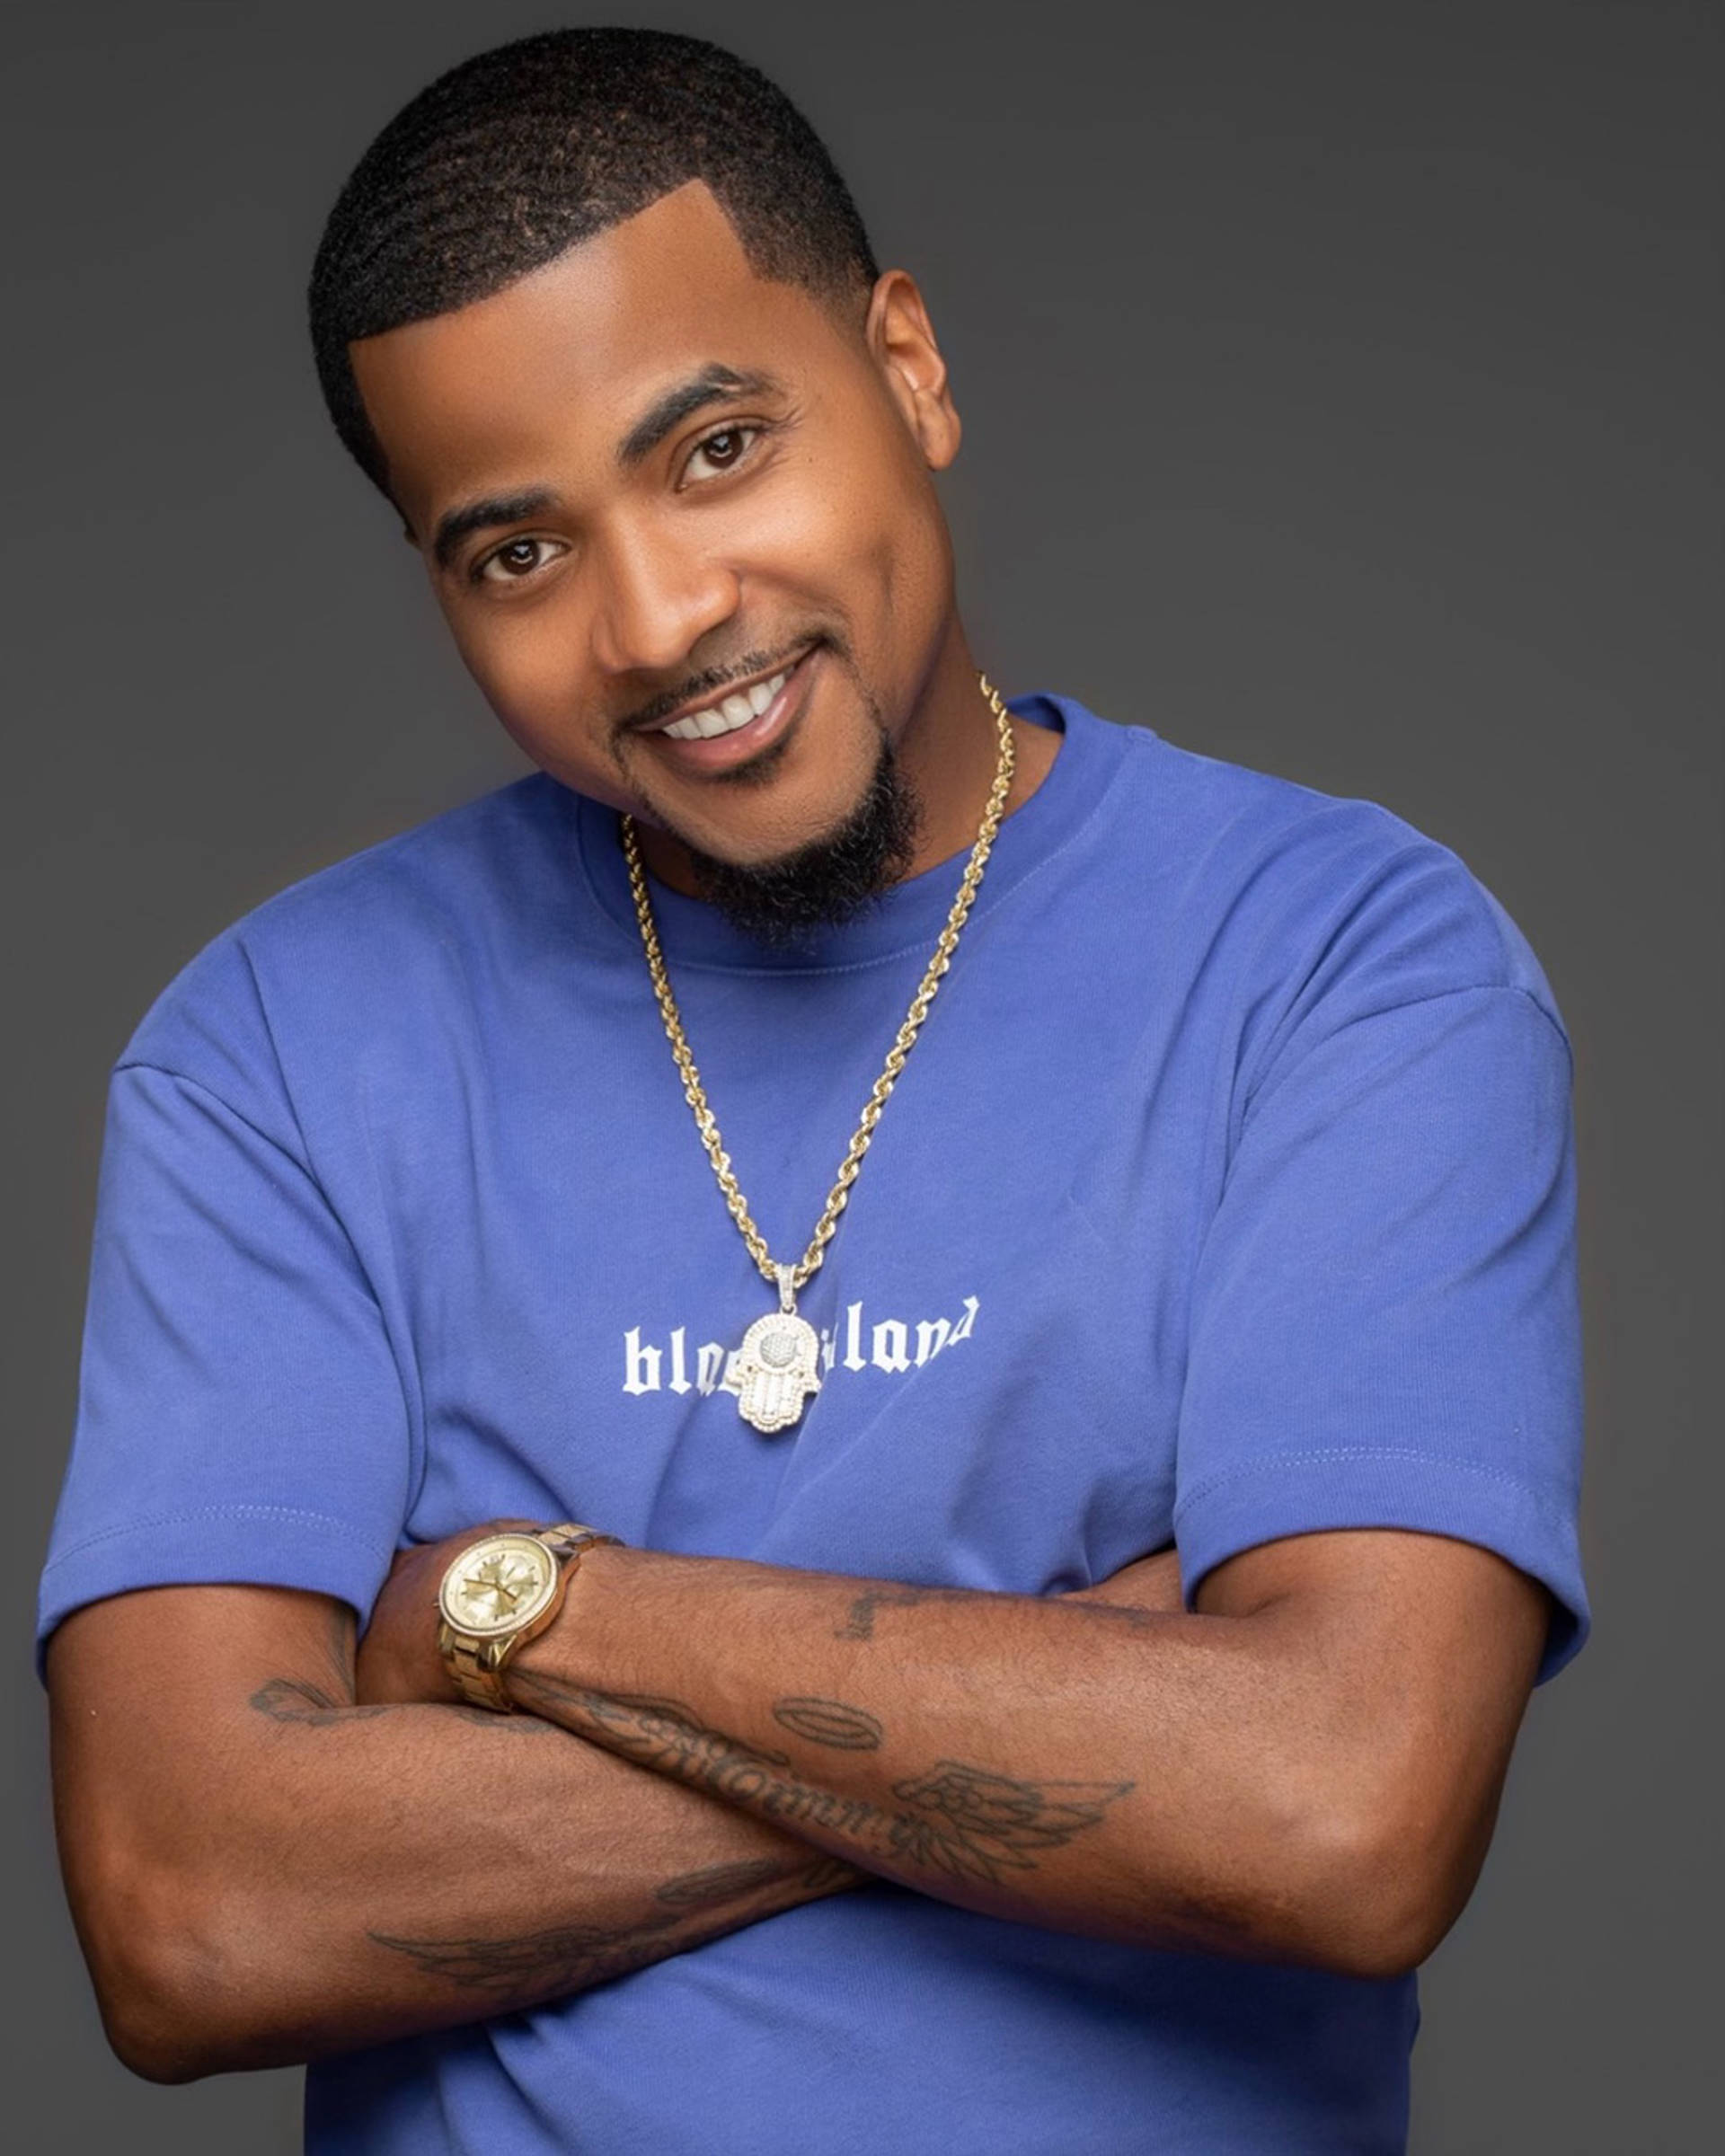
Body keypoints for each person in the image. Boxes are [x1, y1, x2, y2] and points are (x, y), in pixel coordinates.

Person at [39, 26, 1587, 2155]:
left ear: (913, 371)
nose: (662, 618)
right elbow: (191, 1920)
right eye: (517, 553)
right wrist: (1084, 1712)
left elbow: (1339, 1810)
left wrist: (528, 1614)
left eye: (717, 447)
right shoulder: (281, 1050)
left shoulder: (1342, 960)